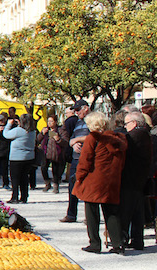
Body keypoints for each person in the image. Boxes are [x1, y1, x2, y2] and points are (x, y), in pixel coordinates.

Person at [73, 111, 127, 254]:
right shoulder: (118, 139)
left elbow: (85, 161)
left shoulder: (93, 138)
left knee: (91, 212)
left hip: (94, 180)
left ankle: (95, 243)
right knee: (112, 212)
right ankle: (117, 243)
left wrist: (79, 176)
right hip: (112, 180)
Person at [119, 110, 152, 251]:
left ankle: (124, 238)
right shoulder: (145, 134)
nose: (125, 126)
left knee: (127, 211)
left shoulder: (135, 136)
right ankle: (137, 240)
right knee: (138, 212)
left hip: (131, 179)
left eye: (126, 123)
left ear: (134, 123)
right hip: (140, 179)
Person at [62, 100, 90, 223]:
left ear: (86, 108)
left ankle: (89, 216)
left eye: (78, 110)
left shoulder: (92, 120)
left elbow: (95, 136)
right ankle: (71, 214)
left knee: (87, 187)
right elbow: (72, 138)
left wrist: (79, 140)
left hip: (87, 158)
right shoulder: (78, 122)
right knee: (72, 186)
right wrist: (73, 144)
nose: (76, 112)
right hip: (76, 157)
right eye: (75, 110)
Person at [3, 113, 37, 204]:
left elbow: (6, 134)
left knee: (15, 178)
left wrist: (9, 124)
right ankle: (24, 196)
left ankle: (15, 197)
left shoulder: (18, 130)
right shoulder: (32, 132)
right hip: (29, 157)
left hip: (17, 157)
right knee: (24, 178)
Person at [38, 115, 66, 194]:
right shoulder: (46, 130)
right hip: (46, 152)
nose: (49, 123)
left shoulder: (60, 130)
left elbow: (65, 142)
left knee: (55, 170)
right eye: (48, 121)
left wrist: (58, 139)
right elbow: (38, 139)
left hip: (56, 153)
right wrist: (42, 134)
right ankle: (47, 183)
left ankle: (56, 185)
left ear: (56, 122)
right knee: (43, 168)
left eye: (51, 121)